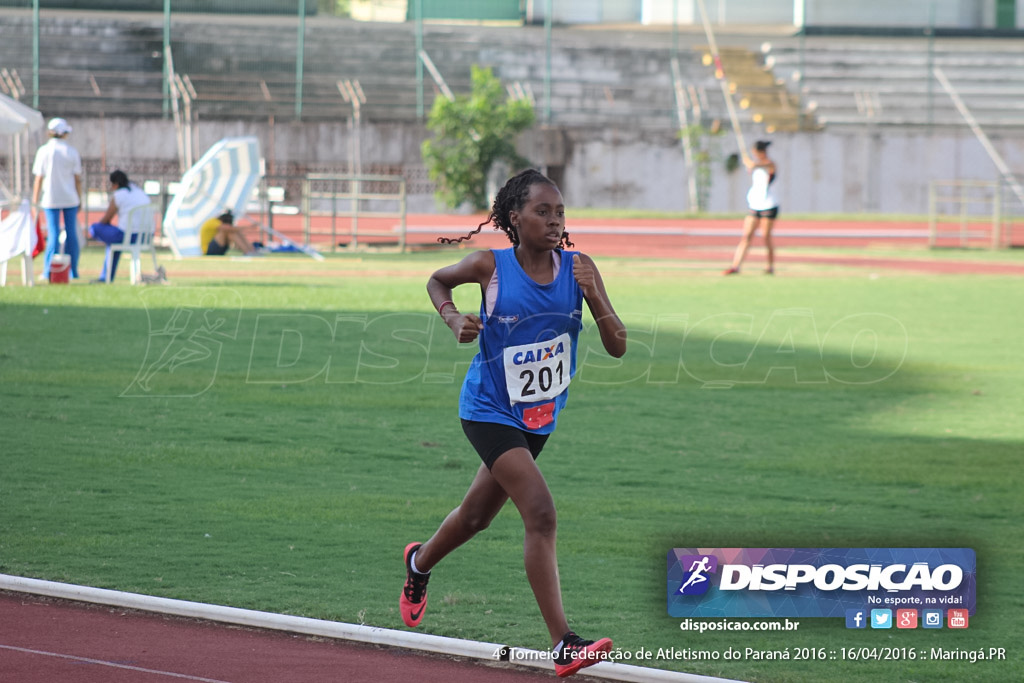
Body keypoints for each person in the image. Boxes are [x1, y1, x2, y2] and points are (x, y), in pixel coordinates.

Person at [402, 169, 627, 678]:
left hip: (539, 416)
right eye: (542, 212)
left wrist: (596, 298)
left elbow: (618, 346)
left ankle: (418, 564)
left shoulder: (580, 268)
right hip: (487, 409)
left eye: (560, 213)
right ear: (513, 218)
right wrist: (453, 317)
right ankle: (564, 642)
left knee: (477, 517)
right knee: (541, 513)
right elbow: (437, 279)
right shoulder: (490, 266)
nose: (554, 221)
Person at [32, 117, 83, 281]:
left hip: (50, 199)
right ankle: (73, 271)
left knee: (53, 234)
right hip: (70, 198)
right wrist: (80, 198)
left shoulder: (43, 151)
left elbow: (38, 179)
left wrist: (35, 201)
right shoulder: (71, 151)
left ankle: (48, 271)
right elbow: (77, 179)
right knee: (71, 234)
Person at [723, 140, 778, 275]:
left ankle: (770, 266)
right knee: (746, 236)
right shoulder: (756, 165)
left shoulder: (770, 164)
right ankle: (736, 266)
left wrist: (748, 162)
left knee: (765, 236)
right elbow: (753, 168)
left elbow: (755, 165)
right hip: (755, 204)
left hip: (769, 205)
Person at [87, 169, 152, 283]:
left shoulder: (119, 194)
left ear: (115, 185)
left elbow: (106, 219)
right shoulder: (139, 191)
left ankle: (105, 277)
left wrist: (103, 226)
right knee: (114, 241)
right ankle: (106, 276)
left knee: (95, 228)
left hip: (128, 236)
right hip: (147, 236)